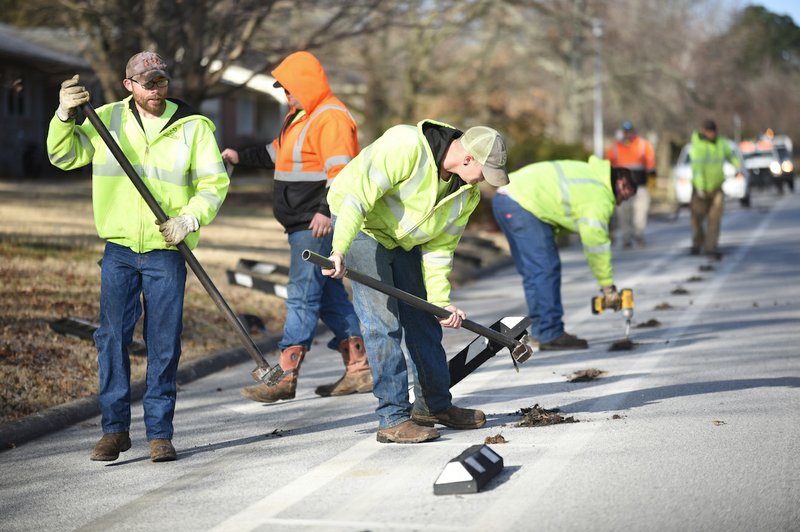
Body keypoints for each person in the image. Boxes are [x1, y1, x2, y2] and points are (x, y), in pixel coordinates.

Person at [46, 52, 230, 462]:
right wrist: (63, 116)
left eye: (161, 81)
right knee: (111, 338)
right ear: (129, 84)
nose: (156, 90)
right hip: (120, 249)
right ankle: (114, 431)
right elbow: (63, 157)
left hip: (167, 250)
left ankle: (159, 433)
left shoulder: (193, 127)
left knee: (164, 342)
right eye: (147, 83)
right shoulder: (105, 118)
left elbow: (213, 184)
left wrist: (189, 218)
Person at [323, 121, 509, 444]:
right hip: (361, 228)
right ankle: (392, 417)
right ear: (468, 159)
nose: (484, 181)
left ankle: (433, 406)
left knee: (422, 317)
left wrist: (440, 302)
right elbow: (357, 196)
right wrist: (339, 248)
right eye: (484, 172)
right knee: (383, 321)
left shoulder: (467, 194)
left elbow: (440, 249)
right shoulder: (406, 146)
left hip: (400, 241)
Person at [220, 51, 371, 403]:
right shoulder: (300, 117)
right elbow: (278, 154)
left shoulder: (330, 118)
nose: (286, 96)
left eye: (289, 89)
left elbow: (343, 175)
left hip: (314, 224)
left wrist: (324, 212)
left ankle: (285, 377)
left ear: (306, 84)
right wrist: (239, 156)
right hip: (302, 223)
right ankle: (359, 369)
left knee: (302, 295)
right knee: (329, 297)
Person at [492, 156, 637, 351]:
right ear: (621, 183)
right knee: (545, 269)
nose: (619, 203)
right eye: (624, 197)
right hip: (522, 204)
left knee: (534, 272)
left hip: (505, 199)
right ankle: (550, 333)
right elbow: (596, 245)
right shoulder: (599, 194)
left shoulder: (590, 174)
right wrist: (607, 288)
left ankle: (543, 332)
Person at [688, 119, 740, 259]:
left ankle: (710, 247)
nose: (711, 134)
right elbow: (697, 168)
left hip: (717, 187)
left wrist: (737, 166)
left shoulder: (722, 143)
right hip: (700, 189)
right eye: (708, 131)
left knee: (714, 219)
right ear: (703, 131)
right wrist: (699, 187)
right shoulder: (698, 145)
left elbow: (732, 156)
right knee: (697, 219)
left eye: (713, 131)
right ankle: (697, 242)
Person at [604, 121, 656, 248]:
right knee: (623, 214)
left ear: (634, 132)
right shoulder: (615, 147)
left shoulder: (643, 145)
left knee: (640, 212)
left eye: (629, 131)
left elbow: (651, 165)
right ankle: (626, 238)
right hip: (622, 188)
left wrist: (652, 182)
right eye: (625, 132)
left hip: (640, 186)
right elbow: (606, 165)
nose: (627, 134)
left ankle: (639, 235)